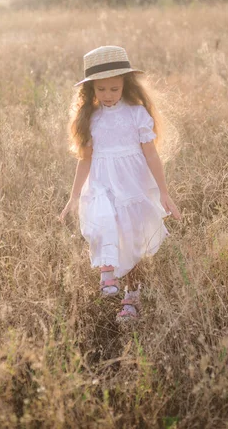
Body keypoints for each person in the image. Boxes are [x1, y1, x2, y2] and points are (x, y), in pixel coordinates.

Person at [59, 45, 181, 321]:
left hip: (133, 186)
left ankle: (132, 296)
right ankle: (107, 272)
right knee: (105, 221)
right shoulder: (90, 119)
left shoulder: (137, 114)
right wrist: (73, 196)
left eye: (114, 89)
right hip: (103, 185)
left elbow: (151, 154)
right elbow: (85, 160)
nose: (108, 95)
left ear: (125, 85)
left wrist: (164, 192)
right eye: (101, 89)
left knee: (133, 239)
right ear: (91, 90)